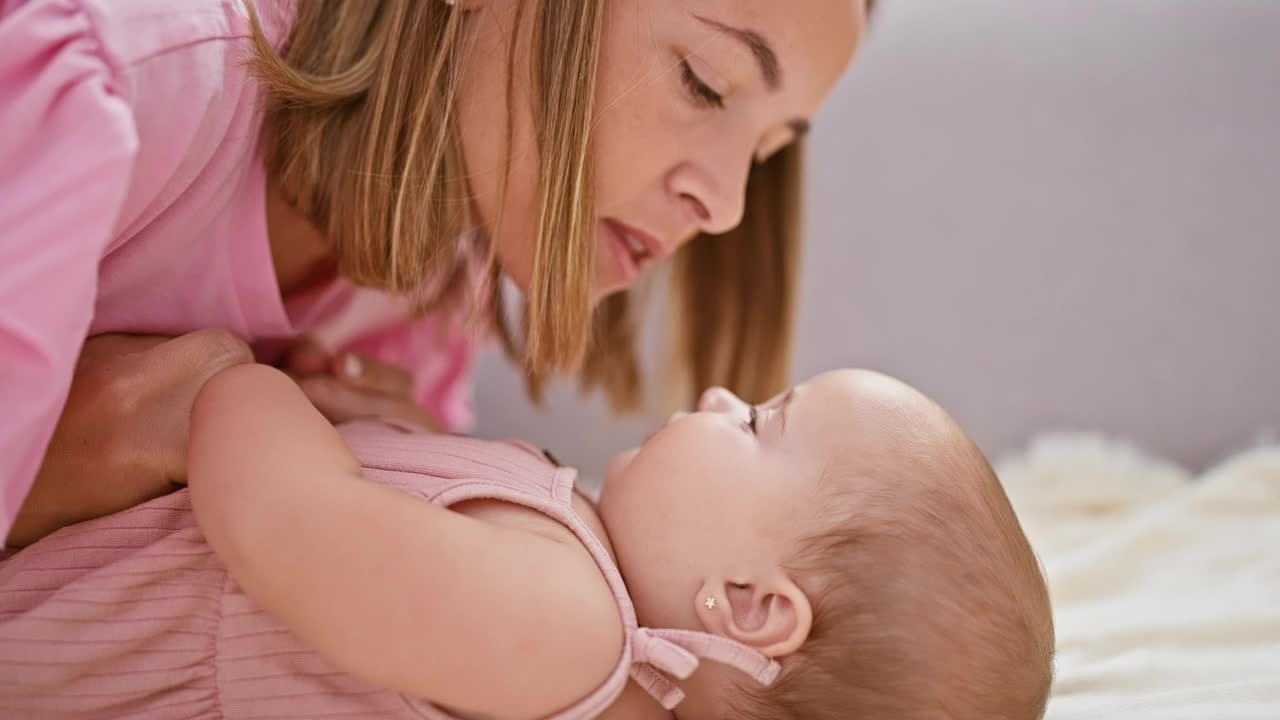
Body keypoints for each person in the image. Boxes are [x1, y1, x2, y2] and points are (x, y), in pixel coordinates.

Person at [0, 0, 874, 544]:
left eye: (765, 153)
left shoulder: (429, 273)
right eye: (706, 84)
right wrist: (82, 458)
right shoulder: (126, 84)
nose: (726, 208)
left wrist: (412, 483)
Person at [0, 367, 1054, 719]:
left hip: (60, 623)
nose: (721, 394)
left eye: (758, 423)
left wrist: (245, 389)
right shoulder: (567, 591)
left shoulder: (569, 628)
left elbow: (293, 530)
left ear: (746, 606)